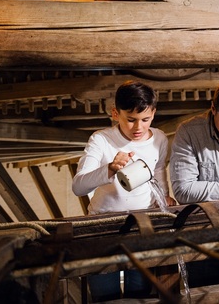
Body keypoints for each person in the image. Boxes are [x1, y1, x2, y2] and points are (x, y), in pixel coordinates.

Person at [71, 80, 172, 301]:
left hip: (141, 227)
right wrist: (110, 168)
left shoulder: (160, 139)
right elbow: (78, 187)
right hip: (102, 228)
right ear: (115, 113)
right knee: (106, 296)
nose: (138, 128)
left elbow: (158, 172)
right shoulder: (101, 139)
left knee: (140, 294)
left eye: (145, 119)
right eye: (131, 119)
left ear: (153, 113)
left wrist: (164, 197)